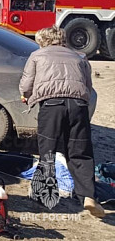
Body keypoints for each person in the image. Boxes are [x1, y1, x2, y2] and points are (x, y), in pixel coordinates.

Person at [19, 26, 105, 218]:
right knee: (80, 152)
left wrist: (26, 96)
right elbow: (88, 87)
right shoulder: (80, 57)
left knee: (47, 150)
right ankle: (88, 197)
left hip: (52, 106)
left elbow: (26, 84)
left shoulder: (37, 55)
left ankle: (44, 195)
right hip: (78, 106)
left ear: (43, 41)